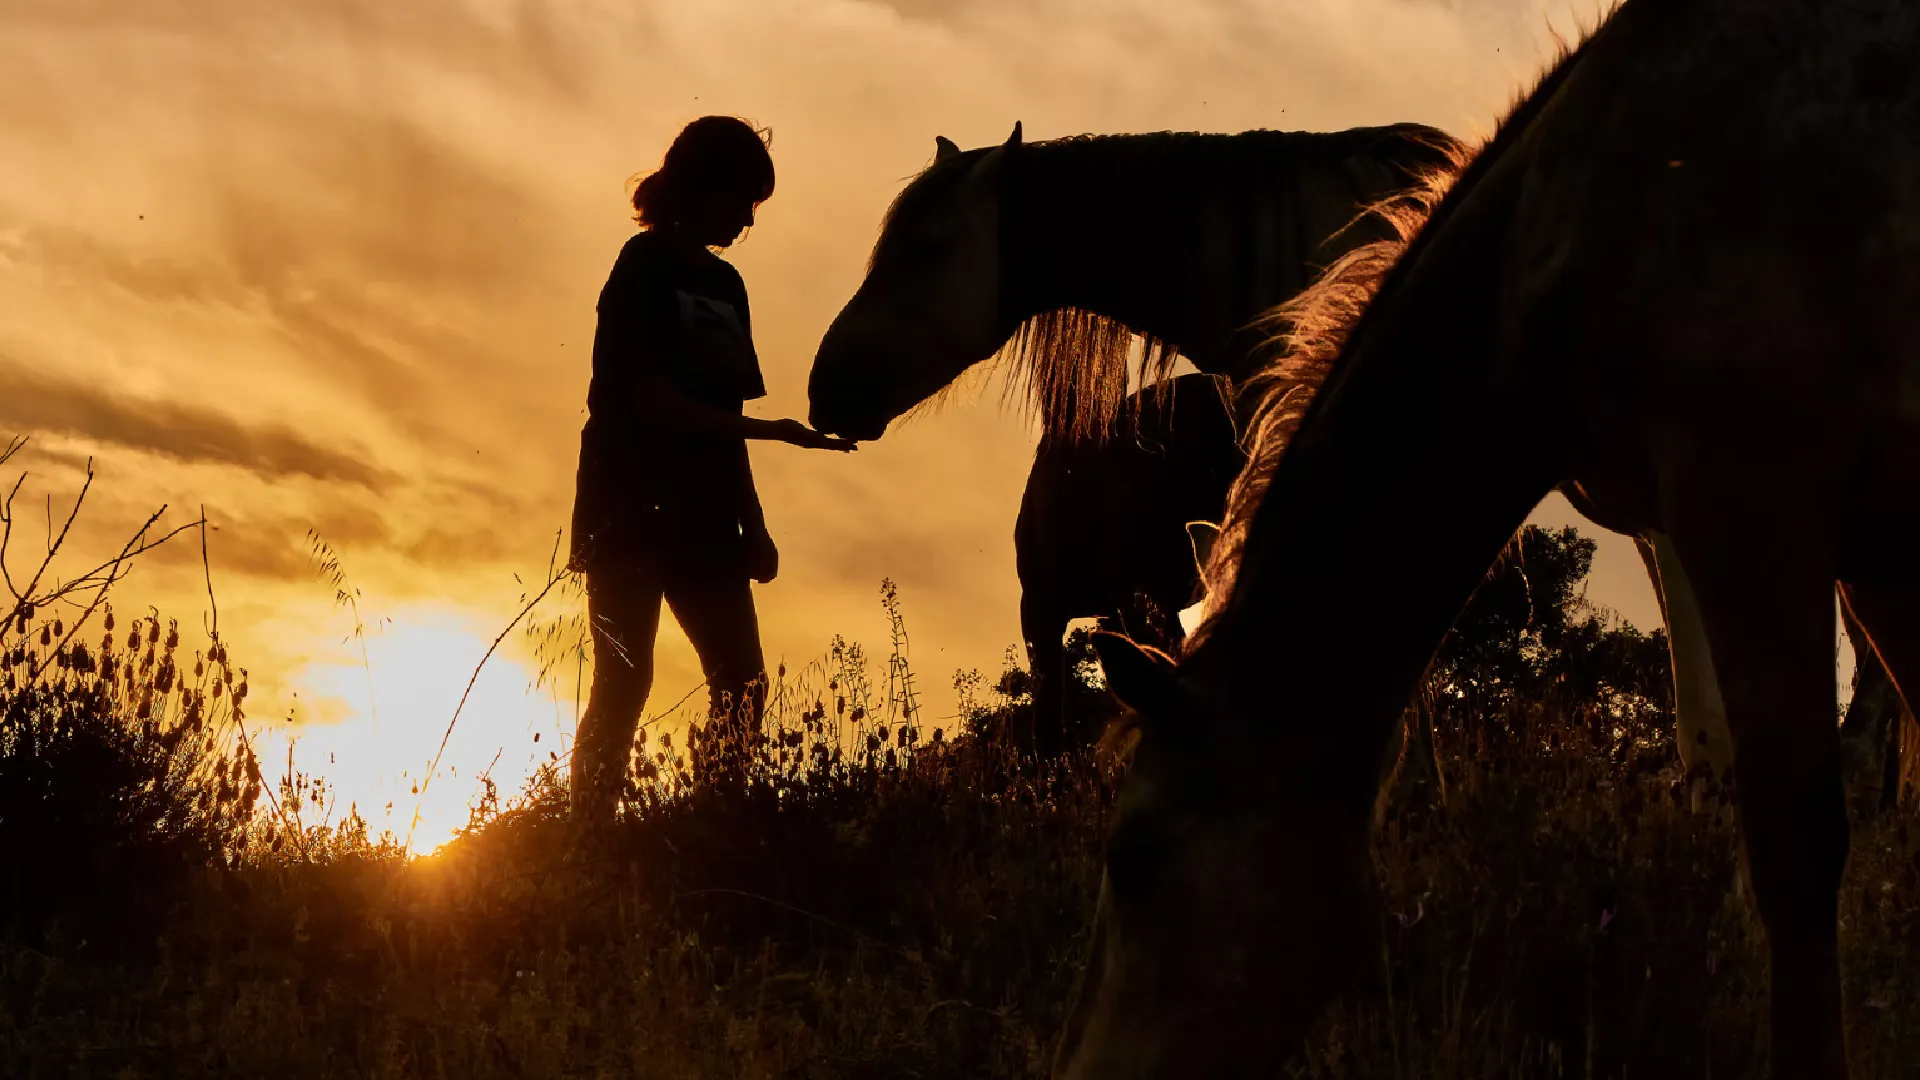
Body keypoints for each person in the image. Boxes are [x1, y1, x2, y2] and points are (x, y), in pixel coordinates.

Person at [569, 115, 854, 820]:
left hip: (705, 515)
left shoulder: (728, 286)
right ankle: (584, 841)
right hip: (627, 508)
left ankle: (714, 825)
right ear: (702, 187)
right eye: (741, 200)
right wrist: (775, 431)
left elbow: (722, 417)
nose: (747, 220)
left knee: (743, 684)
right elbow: (647, 402)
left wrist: (752, 524)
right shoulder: (641, 268)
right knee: (624, 684)